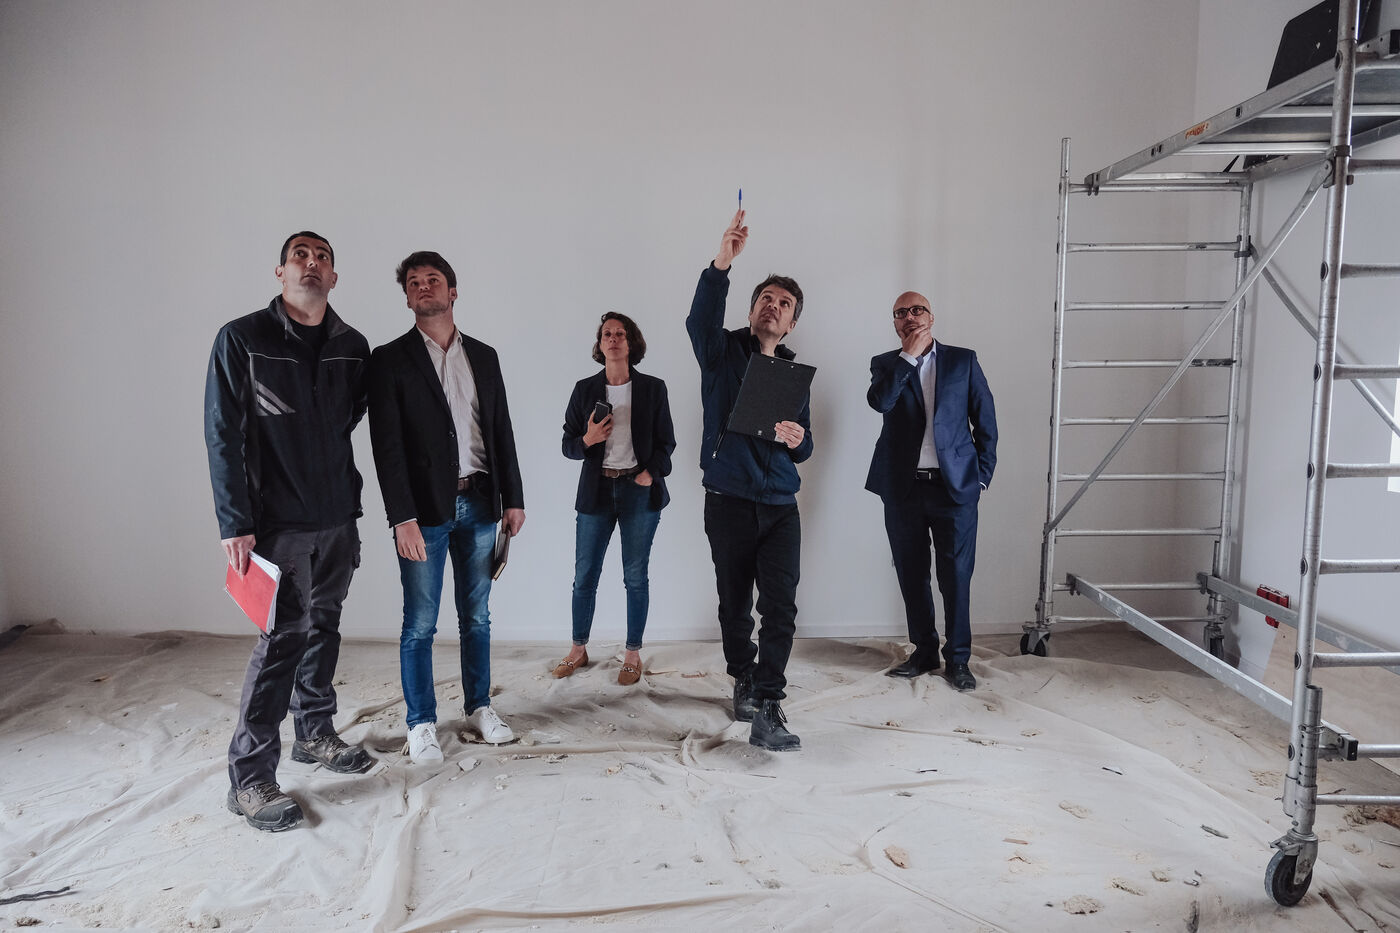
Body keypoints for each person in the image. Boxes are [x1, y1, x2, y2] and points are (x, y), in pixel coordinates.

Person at [205, 231, 374, 833]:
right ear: (280, 271)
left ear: (334, 277)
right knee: (283, 640)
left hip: (337, 517)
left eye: (322, 256)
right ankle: (249, 777)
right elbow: (222, 434)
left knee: (323, 627)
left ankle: (314, 732)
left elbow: (348, 421)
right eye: (300, 254)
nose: (312, 263)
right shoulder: (242, 339)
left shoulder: (352, 347)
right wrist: (235, 521)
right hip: (275, 524)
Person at [367, 251, 526, 765]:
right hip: (423, 513)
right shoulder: (389, 359)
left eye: (433, 279)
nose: (423, 287)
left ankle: (479, 707)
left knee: (476, 616)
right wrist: (401, 518)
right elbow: (386, 447)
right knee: (420, 622)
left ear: (452, 291)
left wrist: (514, 498)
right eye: (414, 282)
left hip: (480, 502)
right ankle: (420, 723)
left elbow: (500, 430)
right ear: (407, 298)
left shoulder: (485, 356)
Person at [686, 209, 813, 752]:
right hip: (729, 500)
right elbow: (699, 321)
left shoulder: (793, 374)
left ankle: (768, 700)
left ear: (791, 323)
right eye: (766, 298)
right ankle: (742, 674)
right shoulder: (721, 354)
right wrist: (722, 263)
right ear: (752, 307)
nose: (773, 306)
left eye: (783, 304)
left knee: (780, 607)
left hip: (781, 504)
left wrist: (797, 440)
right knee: (735, 603)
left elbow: (806, 445)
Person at [865, 291, 997, 690]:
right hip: (903, 488)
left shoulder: (962, 361)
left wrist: (981, 478)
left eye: (917, 309)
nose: (909, 316)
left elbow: (986, 423)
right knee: (911, 573)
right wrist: (908, 358)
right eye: (900, 313)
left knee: (956, 576)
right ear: (895, 324)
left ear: (931, 317)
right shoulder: (885, 364)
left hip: (953, 489)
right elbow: (880, 402)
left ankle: (958, 659)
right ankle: (924, 652)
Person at [553, 314, 676, 684]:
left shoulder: (653, 388)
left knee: (635, 577)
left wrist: (650, 473)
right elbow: (567, 445)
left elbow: (667, 443)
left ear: (631, 342)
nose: (613, 338)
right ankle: (578, 650)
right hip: (596, 492)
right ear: (600, 343)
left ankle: (633, 654)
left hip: (639, 491)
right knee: (584, 576)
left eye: (620, 333)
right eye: (607, 333)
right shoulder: (584, 389)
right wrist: (588, 439)